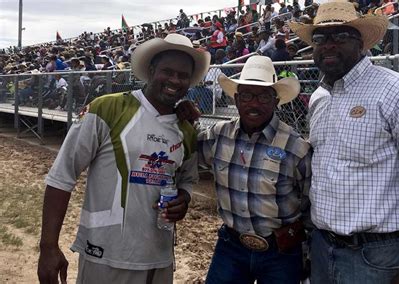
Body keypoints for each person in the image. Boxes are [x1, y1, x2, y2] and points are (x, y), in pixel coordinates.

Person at [289, 1, 399, 283]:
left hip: (378, 257)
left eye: (341, 37)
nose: (328, 45)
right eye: (320, 38)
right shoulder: (319, 98)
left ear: (362, 43)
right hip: (322, 249)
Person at [37, 34, 211, 284]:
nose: (175, 80)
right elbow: (61, 177)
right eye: (167, 71)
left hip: (160, 259)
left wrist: (184, 198)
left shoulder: (186, 129)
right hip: (105, 256)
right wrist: (48, 247)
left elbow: (187, 180)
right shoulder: (107, 109)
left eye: (183, 75)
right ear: (151, 70)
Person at [181, 55, 312, 284]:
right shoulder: (218, 135)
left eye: (263, 96)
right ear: (237, 99)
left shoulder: (296, 147)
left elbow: (309, 203)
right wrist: (183, 119)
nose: (254, 103)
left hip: (281, 250)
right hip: (231, 246)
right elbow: (183, 153)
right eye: (248, 96)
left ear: (275, 100)